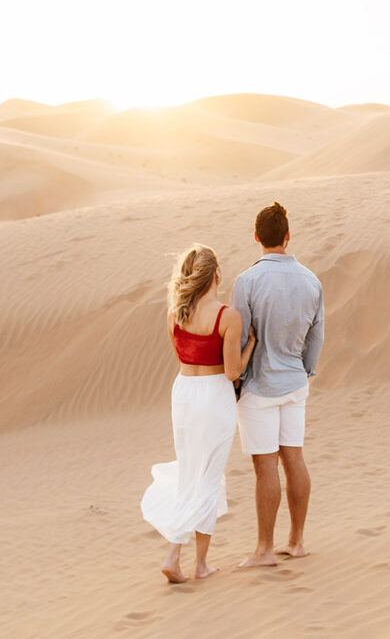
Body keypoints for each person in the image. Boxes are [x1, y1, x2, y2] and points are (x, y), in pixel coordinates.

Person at [141, 244, 257, 583]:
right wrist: (250, 345)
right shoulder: (227, 316)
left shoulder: (174, 314)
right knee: (208, 476)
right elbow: (233, 373)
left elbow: (184, 357)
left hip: (183, 394)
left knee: (191, 471)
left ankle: (194, 560)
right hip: (213, 396)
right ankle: (182, 556)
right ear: (217, 274)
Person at [231, 202, 324, 568]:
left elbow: (240, 339)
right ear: (288, 235)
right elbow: (316, 337)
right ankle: (297, 541)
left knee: (265, 466)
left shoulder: (247, 281)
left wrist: (238, 379)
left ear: (257, 237)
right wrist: (304, 371)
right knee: (294, 458)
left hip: (259, 386)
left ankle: (264, 550)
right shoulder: (311, 280)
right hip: (294, 382)